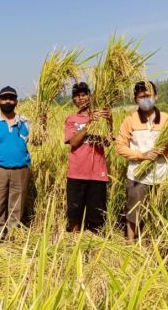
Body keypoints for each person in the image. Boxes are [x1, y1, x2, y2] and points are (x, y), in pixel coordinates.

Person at [115, 82, 168, 242]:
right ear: (136, 99)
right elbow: (120, 147)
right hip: (137, 176)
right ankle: (131, 244)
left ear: (156, 96)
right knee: (134, 213)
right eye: (141, 97)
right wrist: (142, 155)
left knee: (158, 212)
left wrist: (166, 149)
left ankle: (153, 243)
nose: (145, 99)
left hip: (162, 175)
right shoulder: (130, 120)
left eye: (148, 95)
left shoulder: (167, 119)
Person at [0, 86, 33, 236]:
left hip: (21, 169)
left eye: (11, 98)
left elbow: (38, 142)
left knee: (17, 205)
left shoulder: (26, 122)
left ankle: (13, 236)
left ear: (16, 101)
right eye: (4, 98)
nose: (7, 101)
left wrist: (42, 124)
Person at [64, 82, 112, 232]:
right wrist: (89, 123)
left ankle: (95, 247)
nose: (81, 98)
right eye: (77, 96)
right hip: (77, 173)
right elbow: (73, 142)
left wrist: (109, 121)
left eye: (84, 94)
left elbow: (108, 141)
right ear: (73, 100)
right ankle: (73, 244)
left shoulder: (101, 117)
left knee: (96, 215)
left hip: (97, 173)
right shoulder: (71, 119)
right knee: (74, 214)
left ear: (90, 96)